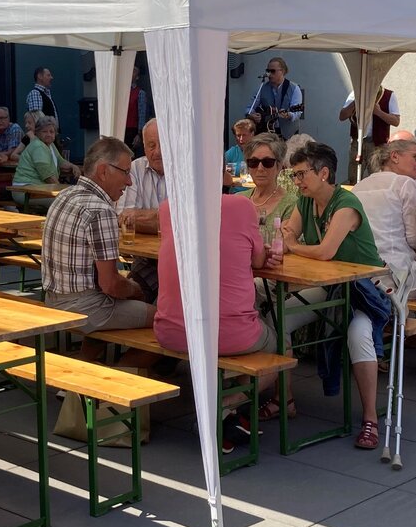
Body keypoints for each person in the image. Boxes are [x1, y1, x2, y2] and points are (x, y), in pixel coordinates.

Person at [277, 141, 388, 449]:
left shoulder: (346, 204)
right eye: (294, 175)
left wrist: (296, 246)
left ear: (324, 173)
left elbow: (325, 251)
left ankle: (370, 419)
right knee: (279, 321)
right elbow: (286, 234)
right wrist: (292, 241)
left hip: (363, 290)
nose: (297, 182)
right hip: (330, 288)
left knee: (358, 335)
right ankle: (284, 400)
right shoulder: (305, 201)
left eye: (301, 175)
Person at [154, 195, 281, 425]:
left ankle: (228, 405)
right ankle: (228, 403)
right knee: (278, 349)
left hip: (172, 332)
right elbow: (259, 261)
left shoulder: (169, 206)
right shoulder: (243, 206)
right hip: (230, 335)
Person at [42, 136, 153, 360]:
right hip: (85, 308)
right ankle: (126, 374)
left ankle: (80, 375)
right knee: (166, 321)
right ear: (103, 171)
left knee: (118, 303)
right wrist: (136, 291)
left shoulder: (64, 196)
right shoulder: (101, 210)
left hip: (53, 299)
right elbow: (110, 285)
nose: (129, 182)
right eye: (125, 172)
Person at [353, 137, 416, 301]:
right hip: (395, 276)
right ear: (394, 156)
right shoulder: (405, 184)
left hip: (360, 275)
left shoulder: (358, 187)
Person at [117, 118, 166, 299]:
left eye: (163, 144)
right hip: (145, 258)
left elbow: (188, 223)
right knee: (132, 296)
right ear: (144, 146)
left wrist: (140, 215)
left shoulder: (186, 170)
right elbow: (123, 218)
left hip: (183, 258)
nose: (158, 152)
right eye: (151, 145)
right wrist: (164, 218)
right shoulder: (134, 168)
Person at [237, 132, 297, 240]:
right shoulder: (238, 199)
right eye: (253, 162)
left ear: (279, 166)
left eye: (267, 162)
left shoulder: (291, 204)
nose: (260, 168)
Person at [340, 85, 399, 182]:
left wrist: (379, 112)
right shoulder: (355, 94)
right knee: (353, 177)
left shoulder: (389, 95)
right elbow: (342, 116)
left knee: (378, 178)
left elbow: (396, 121)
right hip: (357, 143)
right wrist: (356, 102)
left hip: (378, 145)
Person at [12, 114, 77, 187]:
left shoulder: (50, 144)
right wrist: (62, 191)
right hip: (26, 187)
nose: (49, 134)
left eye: (51, 132)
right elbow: (48, 177)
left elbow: (60, 162)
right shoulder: (38, 146)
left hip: (38, 188)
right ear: (37, 133)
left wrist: (72, 166)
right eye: (44, 131)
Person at [245, 56, 303, 138]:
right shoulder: (262, 88)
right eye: (268, 71)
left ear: (282, 71)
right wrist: (251, 115)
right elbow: (249, 108)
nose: (269, 74)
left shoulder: (294, 88)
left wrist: (288, 115)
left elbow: (297, 113)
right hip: (266, 133)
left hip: (288, 134)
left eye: (272, 71)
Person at [225, 118, 255, 187]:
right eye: (238, 135)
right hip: (236, 194)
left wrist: (238, 181)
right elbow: (227, 180)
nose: (241, 139)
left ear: (252, 134)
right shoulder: (231, 153)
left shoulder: (259, 152)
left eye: (244, 135)